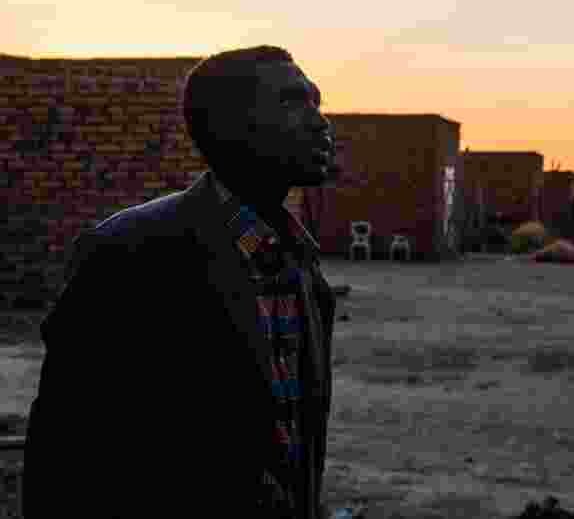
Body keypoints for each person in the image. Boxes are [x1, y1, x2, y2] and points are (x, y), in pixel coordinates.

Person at [23, 46, 339, 518]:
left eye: (316, 102)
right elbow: (63, 448)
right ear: (228, 125)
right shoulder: (130, 254)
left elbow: (293, 444)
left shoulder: (301, 265)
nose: (320, 122)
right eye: (293, 102)